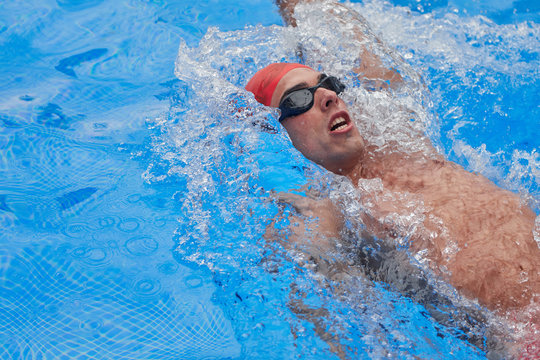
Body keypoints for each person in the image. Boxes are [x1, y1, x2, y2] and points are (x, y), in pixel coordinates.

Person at [247, 0, 539, 356]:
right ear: (280, 136)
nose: (327, 95)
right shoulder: (323, 218)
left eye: (327, 83)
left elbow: (325, 18)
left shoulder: (398, 136)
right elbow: (349, 336)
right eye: (299, 98)